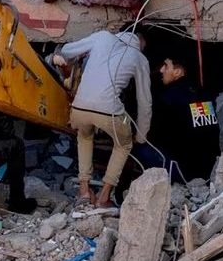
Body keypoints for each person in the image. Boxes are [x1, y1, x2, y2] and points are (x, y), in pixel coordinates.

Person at [53, 29, 151, 207]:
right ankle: (104, 197)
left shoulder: (102, 37)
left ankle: (84, 190)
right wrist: (141, 136)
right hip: (109, 111)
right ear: (140, 43)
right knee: (124, 144)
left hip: (79, 107)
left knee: (84, 137)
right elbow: (144, 101)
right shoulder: (139, 57)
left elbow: (67, 51)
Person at [134, 52, 219, 183]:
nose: (161, 70)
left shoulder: (169, 98)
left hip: (183, 171)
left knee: (138, 148)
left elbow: (154, 136)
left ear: (178, 72)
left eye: (166, 66)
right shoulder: (205, 94)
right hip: (210, 170)